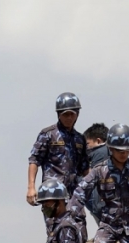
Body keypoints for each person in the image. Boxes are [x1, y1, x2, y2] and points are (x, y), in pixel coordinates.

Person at [27, 93, 89, 226]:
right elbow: (34, 160)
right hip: (52, 194)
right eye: (65, 114)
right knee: (55, 232)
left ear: (77, 114)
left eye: (72, 114)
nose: (69, 118)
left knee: (79, 229)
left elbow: (85, 169)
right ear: (59, 114)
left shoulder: (80, 139)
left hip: (73, 194)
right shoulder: (48, 134)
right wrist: (31, 187)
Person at [82, 123, 110, 224]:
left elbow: (95, 174)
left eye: (88, 143)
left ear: (98, 141)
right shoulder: (108, 150)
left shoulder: (100, 152)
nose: (86, 147)